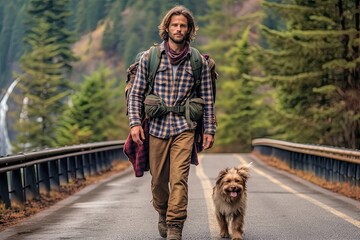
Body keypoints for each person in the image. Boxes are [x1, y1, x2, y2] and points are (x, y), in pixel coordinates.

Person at [127, 5, 216, 240]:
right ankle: (163, 212)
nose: (178, 29)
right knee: (158, 181)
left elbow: (207, 99)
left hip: (185, 128)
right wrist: (135, 123)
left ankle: (175, 225)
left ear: (189, 30)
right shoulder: (151, 57)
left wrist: (209, 130)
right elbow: (136, 93)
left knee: (179, 179)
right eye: (174, 25)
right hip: (156, 128)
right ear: (167, 27)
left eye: (183, 26)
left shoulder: (198, 61)